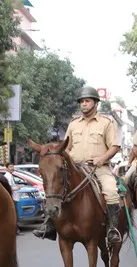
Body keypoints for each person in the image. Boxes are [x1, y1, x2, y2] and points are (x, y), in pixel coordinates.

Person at [34, 86, 123, 244]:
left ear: (95, 103)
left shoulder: (106, 123)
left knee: (111, 191)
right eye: (81, 101)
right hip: (75, 167)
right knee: (54, 187)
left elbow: (115, 146)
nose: (83, 104)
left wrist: (102, 158)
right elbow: (66, 147)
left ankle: (112, 229)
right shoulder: (74, 124)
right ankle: (49, 225)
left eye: (87, 101)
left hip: (98, 167)